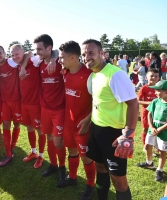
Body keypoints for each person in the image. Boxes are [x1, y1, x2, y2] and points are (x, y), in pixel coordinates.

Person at [81, 39, 138, 200]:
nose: (86, 57)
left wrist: (128, 134)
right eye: (84, 54)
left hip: (114, 134)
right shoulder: (93, 75)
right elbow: (98, 102)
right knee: (100, 168)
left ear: (102, 53)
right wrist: (88, 120)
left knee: (119, 181)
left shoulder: (115, 74)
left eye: (90, 53)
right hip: (97, 130)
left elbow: (133, 104)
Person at [58, 41, 95, 199]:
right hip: (69, 122)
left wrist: (88, 120)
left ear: (73, 57)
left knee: (86, 156)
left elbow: (98, 100)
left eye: (62, 57)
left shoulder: (89, 74)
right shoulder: (65, 71)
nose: (59, 60)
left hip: (83, 125)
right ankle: (72, 177)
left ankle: (90, 184)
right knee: (71, 150)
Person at [33, 34, 67, 187]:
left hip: (59, 109)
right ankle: (53, 165)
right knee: (49, 137)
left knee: (58, 141)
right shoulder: (39, 64)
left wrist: (55, 58)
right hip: (45, 108)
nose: (37, 52)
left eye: (40, 49)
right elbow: (24, 56)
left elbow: (73, 57)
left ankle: (62, 167)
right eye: (36, 49)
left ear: (49, 48)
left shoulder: (61, 63)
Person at [0, 45, 22, 167]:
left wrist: (24, 66)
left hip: (17, 100)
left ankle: (12, 146)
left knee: (17, 124)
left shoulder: (12, 63)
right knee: (5, 125)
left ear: (5, 53)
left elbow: (28, 55)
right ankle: (8, 153)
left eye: (0, 53)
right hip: (5, 101)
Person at [136, 80, 167, 182]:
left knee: (163, 151)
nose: (155, 93)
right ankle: (149, 163)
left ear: (165, 92)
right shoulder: (155, 101)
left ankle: (159, 170)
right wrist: (151, 126)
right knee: (148, 145)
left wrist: (159, 129)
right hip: (152, 129)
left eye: (158, 91)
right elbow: (149, 113)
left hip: (163, 132)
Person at [136, 68, 159, 152]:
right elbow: (138, 100)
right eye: (151, 76)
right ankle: (145, 146)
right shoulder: (143, 88)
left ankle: (155, 146)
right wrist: (150, 103)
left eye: (156, 76)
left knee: (156, 128)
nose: (154, 78)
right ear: (146, 77)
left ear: (158, 78)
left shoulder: (160, 88)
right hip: (146, 112)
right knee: (146, 129)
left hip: (157, 113)